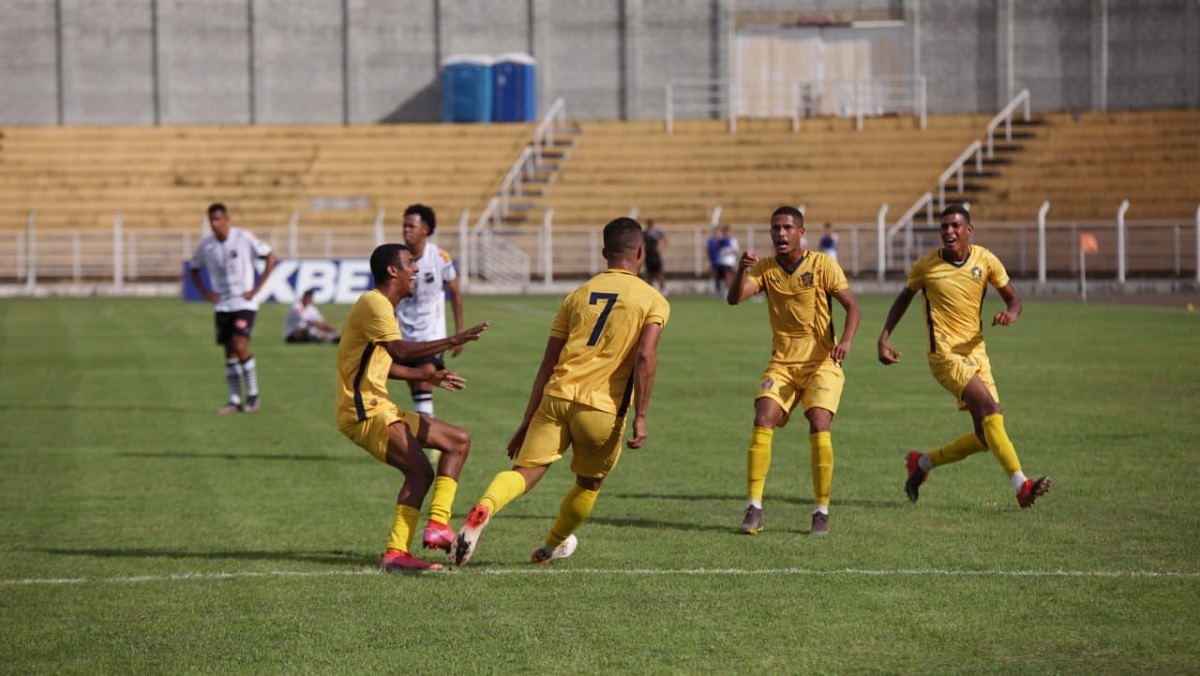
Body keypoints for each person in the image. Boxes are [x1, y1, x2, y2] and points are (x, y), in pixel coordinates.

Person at [452, 217, 669, 566]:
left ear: (603, 252)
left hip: (557, 396)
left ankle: (485, 507)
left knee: (524, 473)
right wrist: (641, 416)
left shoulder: (577, 296)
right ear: (641, 252)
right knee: (589, 483)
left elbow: (547, 362)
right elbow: (645, 355)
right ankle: (550, 546)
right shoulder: (652, 299)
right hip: (601, 409)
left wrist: (527, 420)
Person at [877, 204, 1051, 509]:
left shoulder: (985, 260)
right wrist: (884, 337)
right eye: (944, 226)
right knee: (990, 408)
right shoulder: (926, 266)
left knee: (985, 437)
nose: (949, 231)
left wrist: (1011, 314)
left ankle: (922, 464)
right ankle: (1022, 486)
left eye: (955, 226)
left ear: (968, 230)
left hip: (976, 352)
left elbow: (1014, 300)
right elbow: (903, 297)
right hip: (943, 355)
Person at [335, 243, 489, 573]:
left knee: (458, 441)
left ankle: (437, 526)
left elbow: (383, 364)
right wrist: (452, 340)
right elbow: (401, 350)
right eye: (409, 263)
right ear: (393, 271)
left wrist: (425, 375)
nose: (416, 269)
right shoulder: (375, 304)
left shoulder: (380, 307)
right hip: (363, 410)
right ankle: (395, 554)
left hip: (380, 406)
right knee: (420, 471)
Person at [727, 206, 861, 536]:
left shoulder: (822, 265)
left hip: (822, 363)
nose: (781, 234)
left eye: (787, 227)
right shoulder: (764, 268)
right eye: (776, 228)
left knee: (818, 421)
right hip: (783, 363)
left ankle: (821, 510)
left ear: (802, 232)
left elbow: (853, 307)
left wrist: (845, 341)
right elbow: (734, 299)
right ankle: (754, 508)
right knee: (763, 417)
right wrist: (740, 272)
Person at [189, 203, 278, 414]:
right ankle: (235, 400)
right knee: (229, 351)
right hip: (222, 305)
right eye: (211, 220)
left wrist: (256, 289)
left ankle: (254, 395)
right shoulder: (207, 246)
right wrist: (205, 293)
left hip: (244, 303)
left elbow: (270, 256)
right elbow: (193, 269)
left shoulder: (243, 238)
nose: (215, 224)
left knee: (240, 344)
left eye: (218, 219)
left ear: (227, 219)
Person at [395, 204, 463, 419]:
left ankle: (430, 439)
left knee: (424, 378)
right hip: (404, 331)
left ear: (425, 229)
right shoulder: (398, 259)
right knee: (415, 383)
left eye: (411, 226)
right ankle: (427, 433)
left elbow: (455, 292)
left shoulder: (440, 258)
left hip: (431, 332)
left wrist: (459, 333)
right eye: (404, 226)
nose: (406, 230)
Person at [643, 218, 668, 294]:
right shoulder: (644, 233)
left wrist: (661, 248)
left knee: (659, 273)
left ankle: (663, 290)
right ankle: (650, 291)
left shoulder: (656, 233)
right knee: (650, 275)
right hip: (648, 256)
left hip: (655, 255)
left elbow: (665, 239)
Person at [716, 225, 740, 294]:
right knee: (721, 278)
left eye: (728, 232)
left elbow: (736, 250)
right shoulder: (721, 240)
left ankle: (728, 291)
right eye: (725, 232)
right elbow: (717, 249)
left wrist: (730, 251)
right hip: (722, 262)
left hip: (730, 262)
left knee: (729, 277)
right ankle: (721, 291)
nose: (726, 234)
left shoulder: (733, 240)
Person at [706, 225, 724, 296]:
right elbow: (708, 251)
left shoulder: (722, 240)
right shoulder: (710, 240)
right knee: (716, 276)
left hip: (722, 261)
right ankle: (718, 291)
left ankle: (726, 290)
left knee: (725, 276)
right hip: (714, 261)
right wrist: (708, 261)